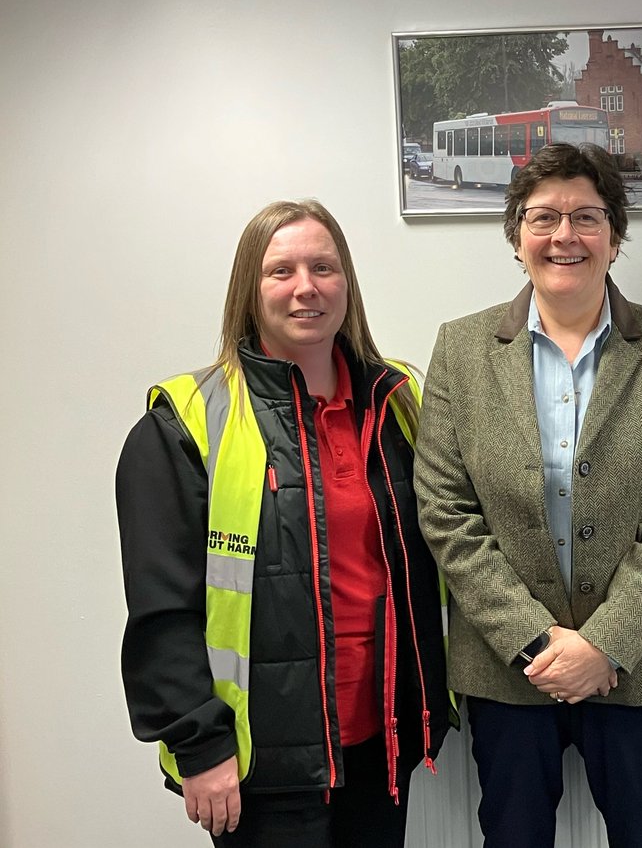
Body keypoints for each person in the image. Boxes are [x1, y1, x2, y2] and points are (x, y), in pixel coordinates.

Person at [116, 199, 449, 847]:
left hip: (383, 743)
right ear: (250, 289)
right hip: (261, 763)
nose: (306, 287)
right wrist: (200, 745)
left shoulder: (399, 402)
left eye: (324, 267)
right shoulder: (186, 421)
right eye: (282, 271)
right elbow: (161, 609)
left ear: (346, 284)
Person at [414, 143, 642, 848]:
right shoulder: (461, 349)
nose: (564, 236)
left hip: (636, 666)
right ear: (517, 237)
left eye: (586, 216)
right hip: (506, 666)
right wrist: (536, 639)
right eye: (543, 217)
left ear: (615, 235)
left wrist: (605, 644)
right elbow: (445, 510)